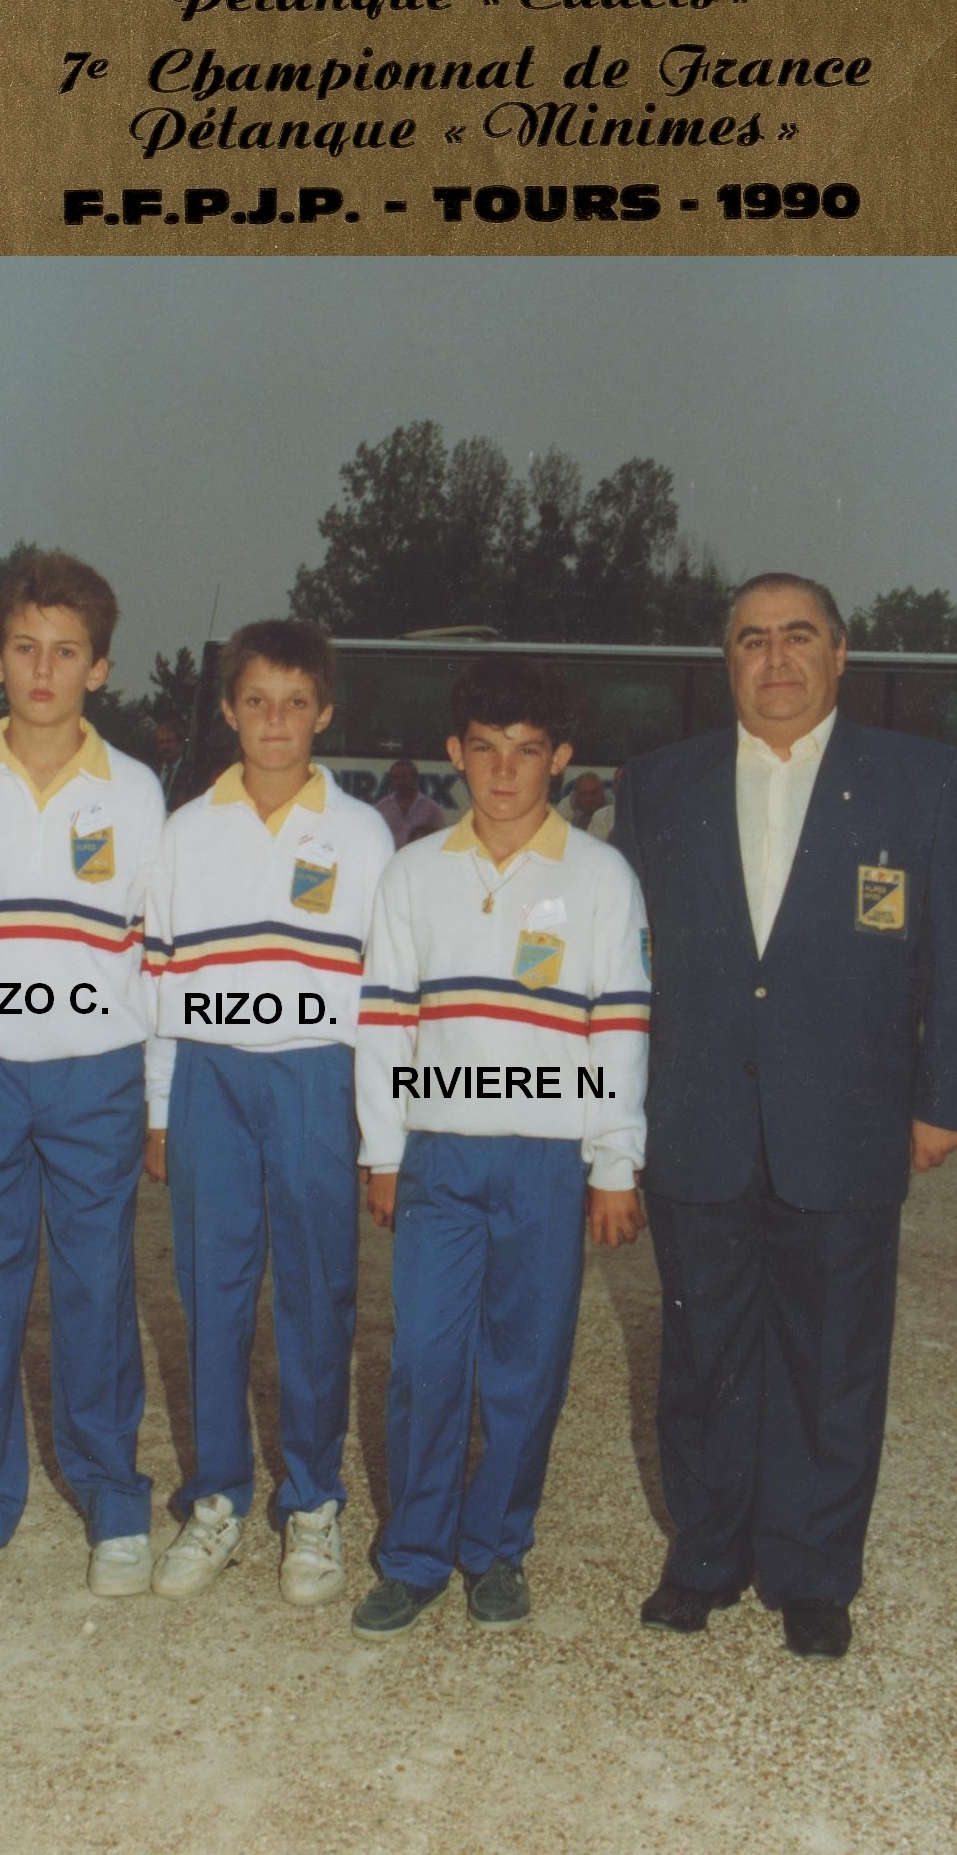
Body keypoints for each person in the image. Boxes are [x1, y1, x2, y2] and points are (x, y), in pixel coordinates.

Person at [615, 572, 957, 1661]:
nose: (775, 660)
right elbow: (618, 962)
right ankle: (705, 1558)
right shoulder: (658, 785)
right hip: (696, 1120)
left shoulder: (921, 783)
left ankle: (815, 1573)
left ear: (840, 655)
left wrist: (948, 1101)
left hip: (849, 1124)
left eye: (799, 638)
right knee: (703, 1356)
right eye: (752, 640)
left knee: (833, 1365)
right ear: (725, 661)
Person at [351, 657, 650, 1639]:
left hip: (545, 1161)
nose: (505, 772)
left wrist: (614, 1161)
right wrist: (384, 1151)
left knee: (526, 1365)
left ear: (560, 759)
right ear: (454, 756)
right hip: (440, 1155)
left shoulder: (601, 876)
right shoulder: (413, 872)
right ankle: (414, 1555)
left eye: (528, 752)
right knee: (426, 1361)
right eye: (485, 751)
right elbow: (387, 1021)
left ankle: (497, 1549)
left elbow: (618, 1026)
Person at [0, 551, 165, 1600]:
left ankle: (113, 1504)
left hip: (95, 1074)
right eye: (25, 650)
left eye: (66, 652)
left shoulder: (139, 794)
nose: (44, 671)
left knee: (98, 1287)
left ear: (98, 668)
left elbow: (148, 948)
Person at [143, 619, 394, 1606]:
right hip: (210, 1075)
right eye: (257, 701)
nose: (276, 721)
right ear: (229, 710)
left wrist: (380, 1126)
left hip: (315, 1080)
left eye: (296, 703)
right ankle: (215, 1498)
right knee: (210, 1294)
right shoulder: (187, 829)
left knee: (318, 1296)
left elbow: (385, 995)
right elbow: (161, 982)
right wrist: (163, 1111)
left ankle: (315, 1501)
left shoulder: (363, 833)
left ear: (324, 711)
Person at [376, 756, 444, 848]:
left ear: (415, 778)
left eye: (404, 777)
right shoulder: (382, 807)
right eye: (396, 778)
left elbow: (441, 838)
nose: (400, 782)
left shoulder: (431, 808)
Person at [154, 716, 206, 814]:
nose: (164, 747)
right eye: (161, 742)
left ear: (180, 744)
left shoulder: (194, 773)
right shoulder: (152, 771)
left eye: (169, 741)